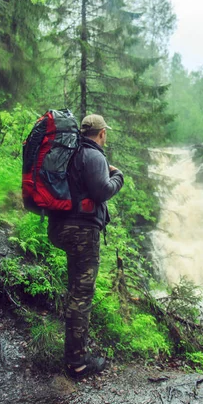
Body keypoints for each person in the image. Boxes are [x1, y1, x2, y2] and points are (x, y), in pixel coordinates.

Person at [47, 114, 124, 379]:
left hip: (60, 227)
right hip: (81, 230)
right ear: (102, 133)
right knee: (81, 295)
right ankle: (77, 363)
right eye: (106, 133)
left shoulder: (70, 153)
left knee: (75, 290)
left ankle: (73, 353)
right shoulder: (94, 156)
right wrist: (118, 176)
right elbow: (102, 191)